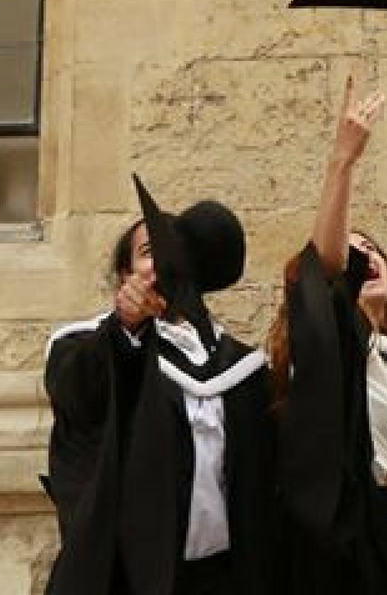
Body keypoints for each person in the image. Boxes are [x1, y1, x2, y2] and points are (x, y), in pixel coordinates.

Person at [43, 181, 277, 595]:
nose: (166, 264)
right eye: (150, 252)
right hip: (126, 577)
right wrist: (126, 328)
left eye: (178, 254)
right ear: (124, 274)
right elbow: (78, 399)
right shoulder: (87, 347)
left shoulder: (240, 368)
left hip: (219, 577)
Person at [268, 77, 387, 594]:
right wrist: (342, 162)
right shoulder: (332, 352)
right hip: (363, 526)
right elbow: (321, 268)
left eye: (372, 250)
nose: (364, 259)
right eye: (353, 254)